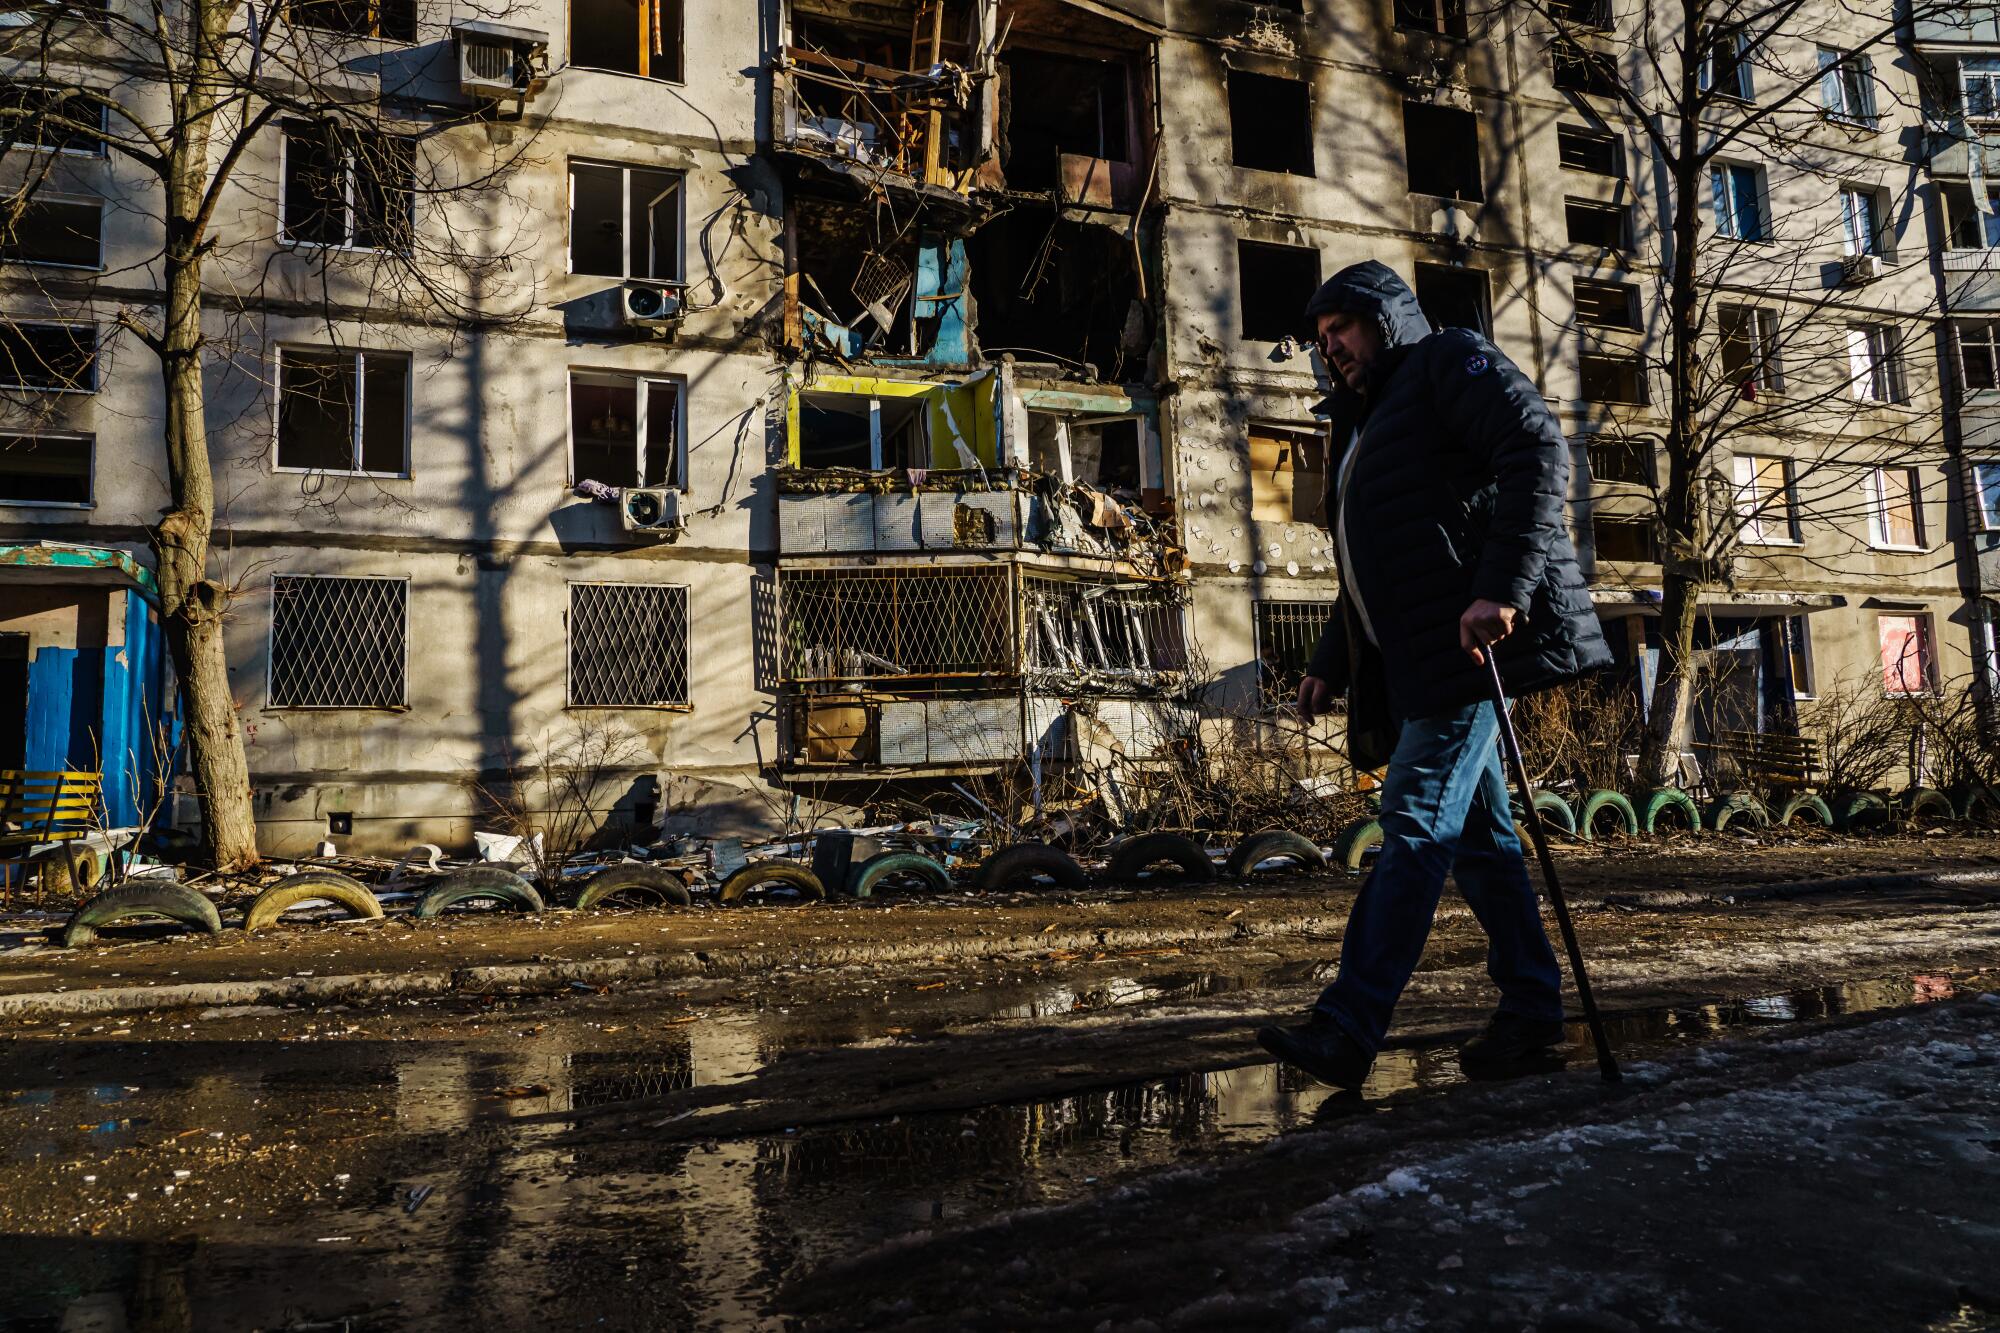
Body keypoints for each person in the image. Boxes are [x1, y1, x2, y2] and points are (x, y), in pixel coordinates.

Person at [1257, 260, 1612, 1088]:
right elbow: (1372, 559)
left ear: (1383, 317)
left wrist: (1501, 590)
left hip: (1470, 650)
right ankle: (1530, 1011)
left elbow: (1534, 447)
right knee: (1482, 841)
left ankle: (1349, 1024)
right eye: (1320, 338)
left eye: (1340, 326)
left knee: (1413, 816)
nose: (1330, 346)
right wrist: (1331, 660)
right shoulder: (1364, 419)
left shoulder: (1448, 361)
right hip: (1424, 658)